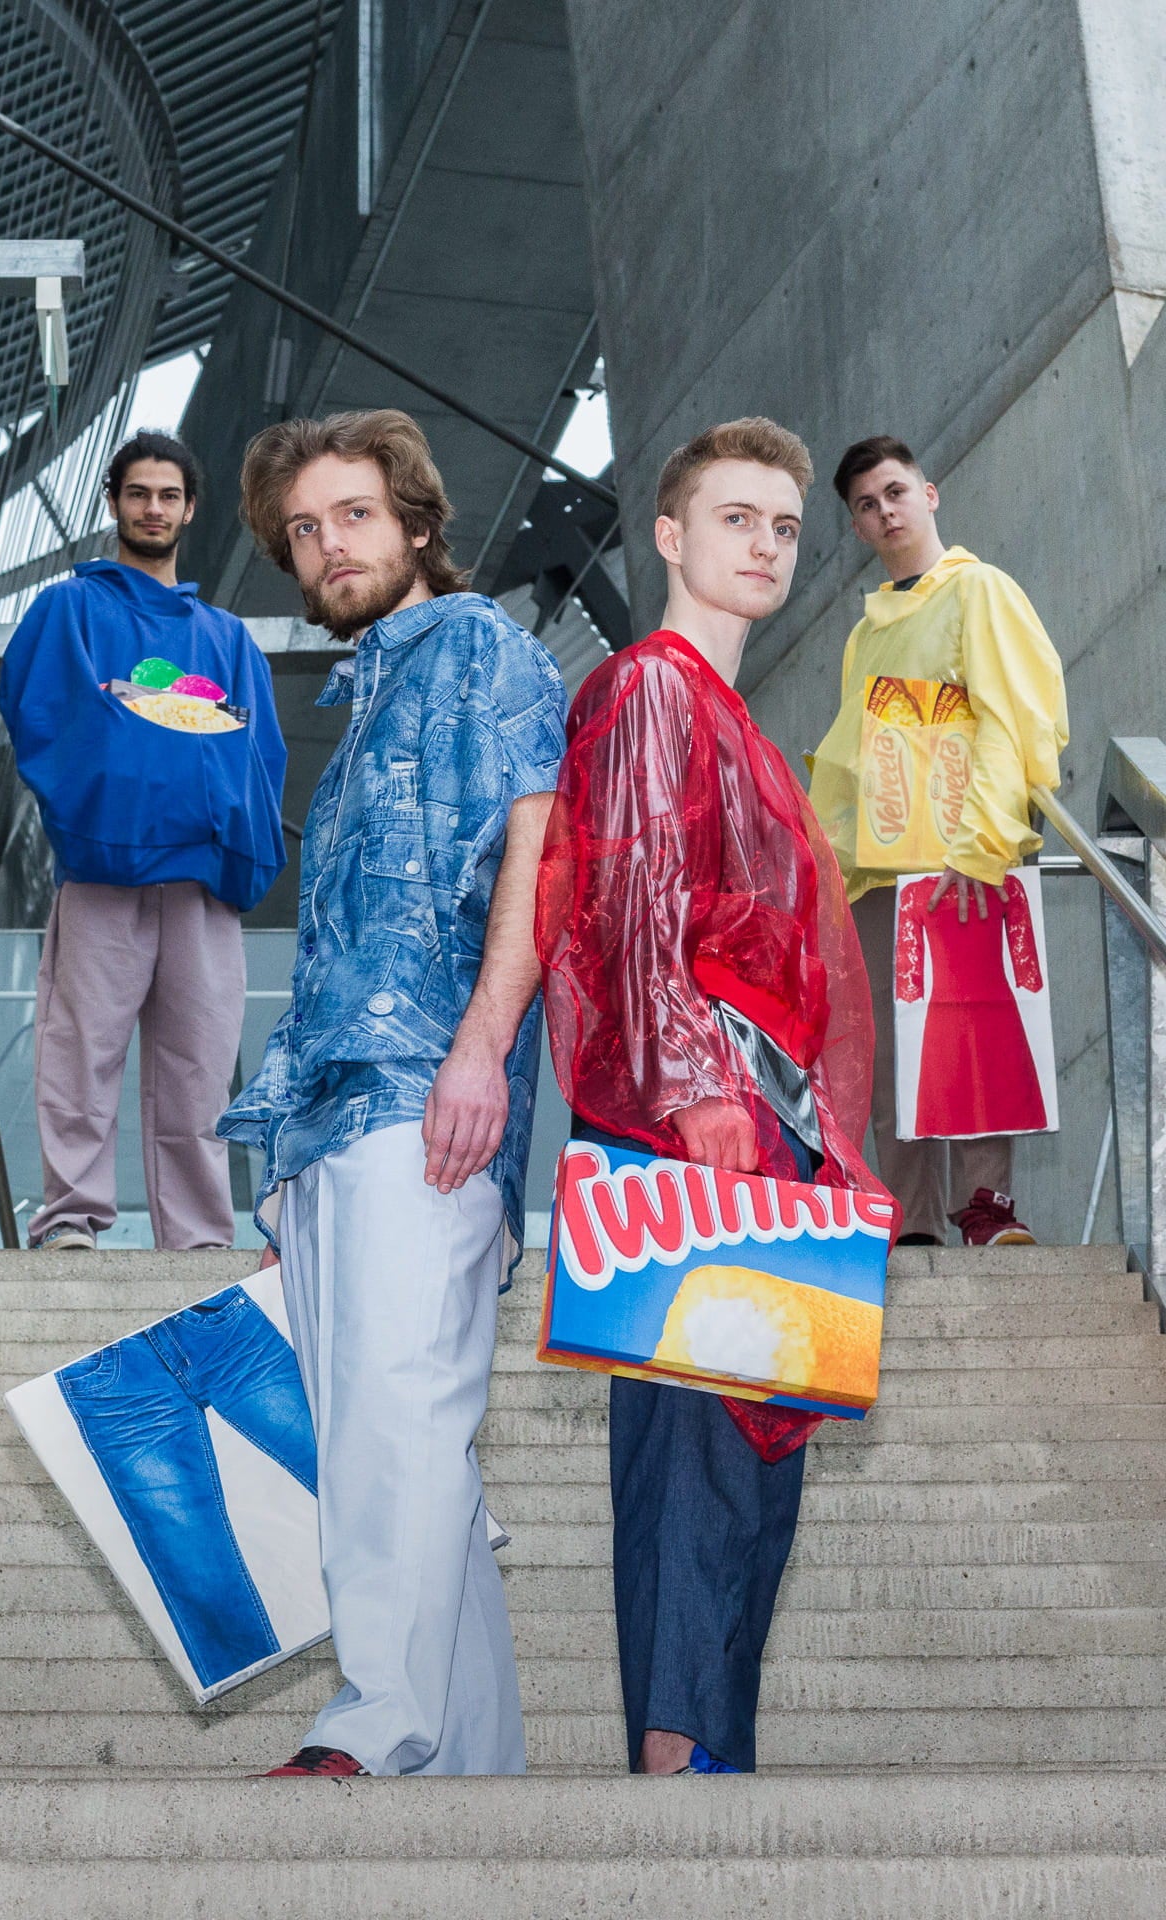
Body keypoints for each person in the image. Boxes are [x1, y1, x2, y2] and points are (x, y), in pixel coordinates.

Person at [218, 408, 567, 1779]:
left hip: (426, 1097)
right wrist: (283, 1165)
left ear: (417, 524)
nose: (326, 544)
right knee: (406, 1431)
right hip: (332, 1124)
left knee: (399, 1425)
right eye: (303, 529)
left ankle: (375, 1723)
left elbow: (537, 842)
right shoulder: (358, 704)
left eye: (353, 514)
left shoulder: (479, 647)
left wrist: (485, 1046)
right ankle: (476, 1766)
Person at [535, 418, 886, 1776]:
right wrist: (692, 1087)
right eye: (738, 518)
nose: (768, 545)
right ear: (669, 537)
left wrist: (814, 1139)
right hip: (699, 1109)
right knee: (691, 1452)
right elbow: (626, 896)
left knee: (754, 1463)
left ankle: (717, 1756)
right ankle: (679, 1775)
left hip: (771, 1117)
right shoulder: (648, 687)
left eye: (788, 527)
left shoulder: (734, 718)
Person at [0, 430, 286, 1253]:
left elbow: (261, 757)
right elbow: (39, 713)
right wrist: (108, 810)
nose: (153, 508)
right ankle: (70, 1221)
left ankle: (197, 1240)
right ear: (115, 502)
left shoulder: (227, 637)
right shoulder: (69, 608)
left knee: (199, 1071)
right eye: (138, 494)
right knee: (79, 1053)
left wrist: (238, 846)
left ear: (189, 510)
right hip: (101, 874)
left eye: (168, 495)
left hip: (202, 882)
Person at [808, 435, 1069, 1247]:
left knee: (976, 1030)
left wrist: (980, 843)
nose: (884, 511)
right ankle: (910, 1222)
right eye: (865, 504)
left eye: (894, 491)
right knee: (890, 1050)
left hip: (963, 857)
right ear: (856, 526)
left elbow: (1011, 714)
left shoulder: (978, 591)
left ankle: (986, 1208)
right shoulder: (864, 635)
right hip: (880, 875)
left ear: (930, 493)